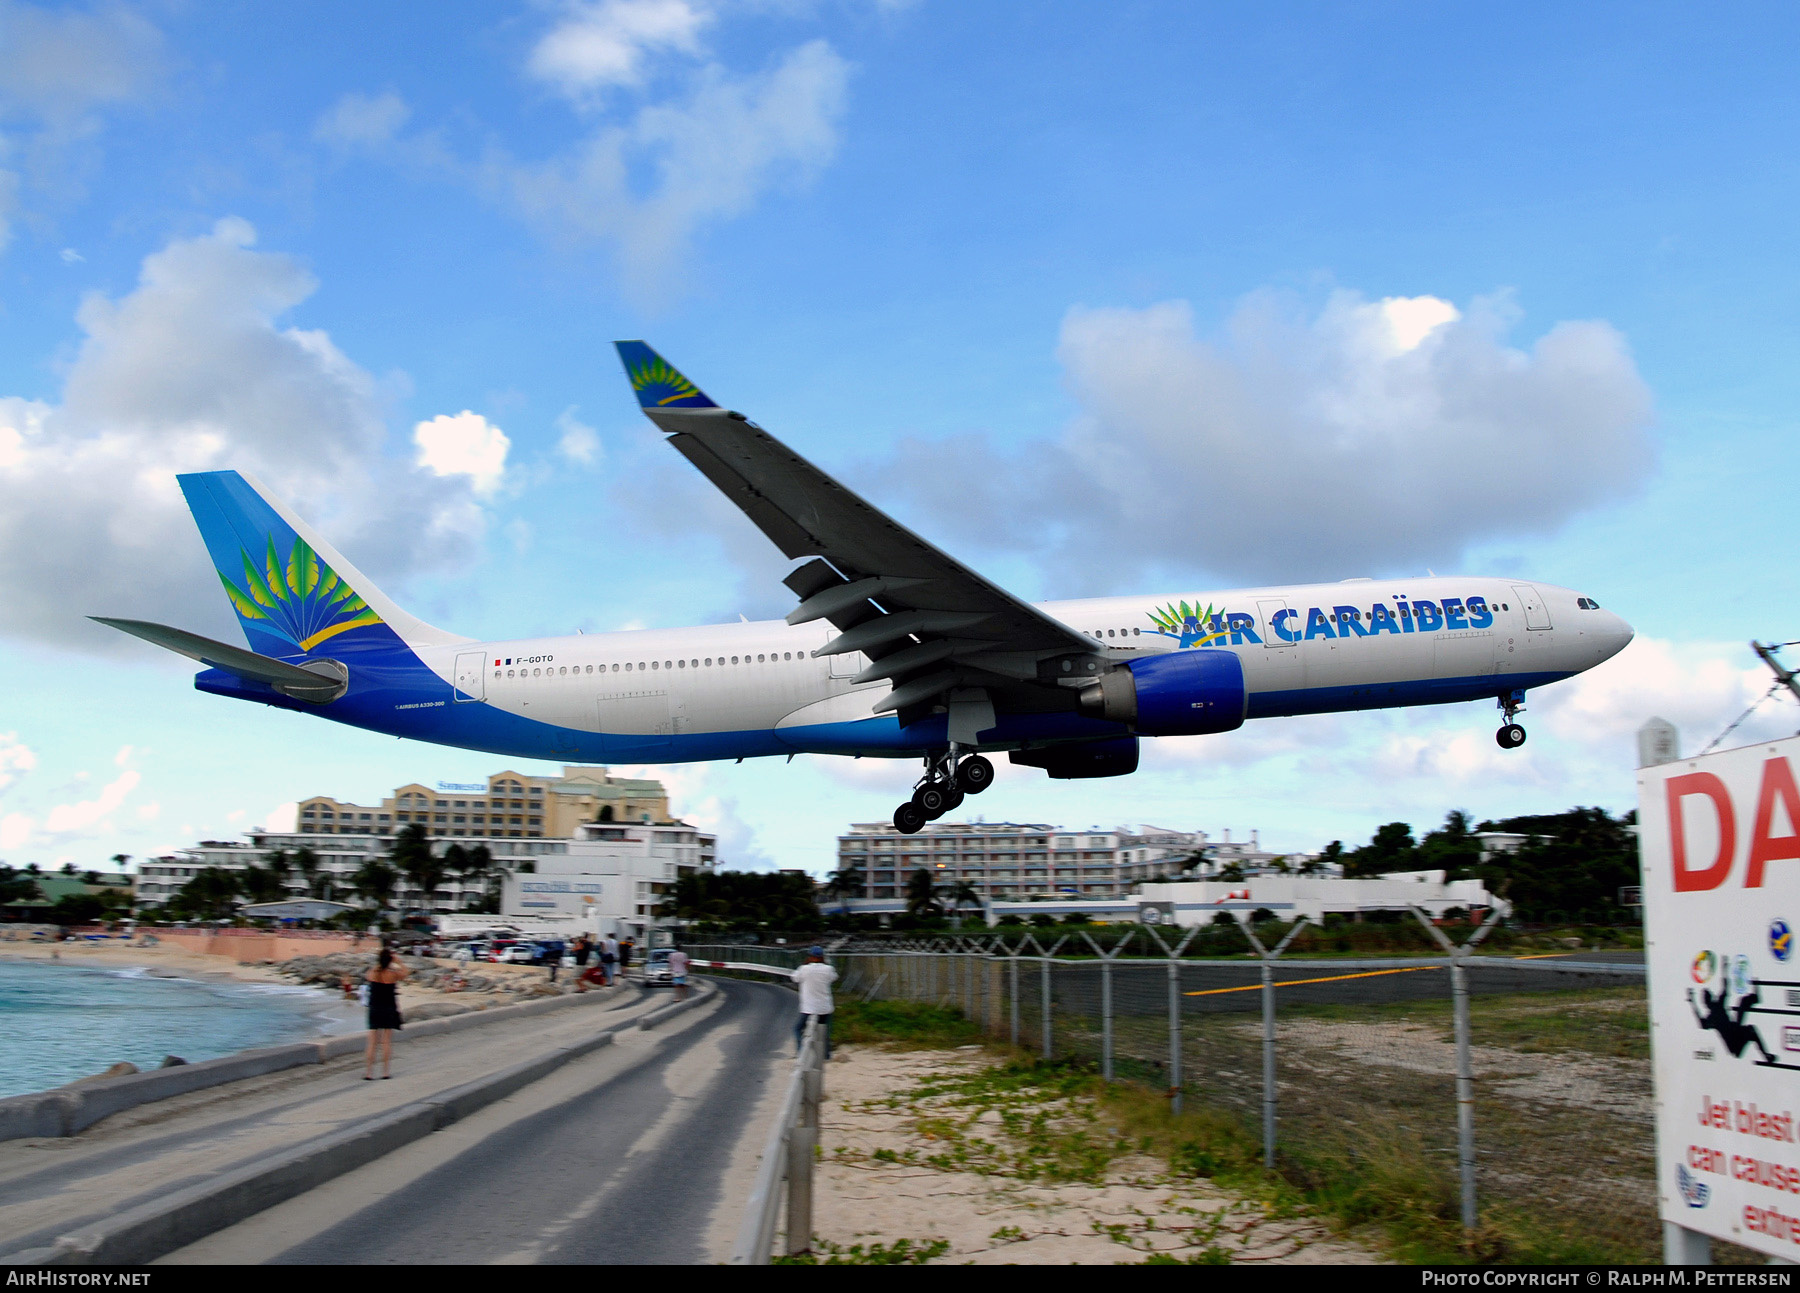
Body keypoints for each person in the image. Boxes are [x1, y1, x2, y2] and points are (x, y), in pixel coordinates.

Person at [363, 946, 409, 1079]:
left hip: (375, 1009)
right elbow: (406, 973)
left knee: (372, 1042)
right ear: (390, 960)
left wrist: (381, 962)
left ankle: (369, 1072)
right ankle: (385, 1072)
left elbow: (369, 975)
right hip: (389, 1008)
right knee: (386, 1042)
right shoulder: (393, 974)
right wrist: (398, 962)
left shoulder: (372, 973)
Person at [791, 946, 837, 1059]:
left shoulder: (804, 969)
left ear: (810, 957)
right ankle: (826, 1055)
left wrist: (805, 965)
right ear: (822, 957)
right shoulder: (828, 969)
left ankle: (802, 1053)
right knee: (824, 1031)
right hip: (824, 1007)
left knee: (798, 1029)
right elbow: (833, 978)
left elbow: (795, 978)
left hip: (808, 1007)